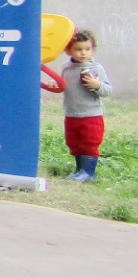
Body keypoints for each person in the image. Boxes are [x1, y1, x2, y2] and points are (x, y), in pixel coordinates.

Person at [60, 28, 112, 182]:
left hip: (91, 115)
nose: (83, 53)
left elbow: (107, 90)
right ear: (68, 50)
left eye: (87, 49)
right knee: (74, 142)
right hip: (71, 114)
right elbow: (63, 85)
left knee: (89, 142)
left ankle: (89, 172)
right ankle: (79, 169)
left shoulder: (96, 69)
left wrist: (97, 85)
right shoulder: (66, 68)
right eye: (78, 49)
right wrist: (54, 84)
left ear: (93, 50)